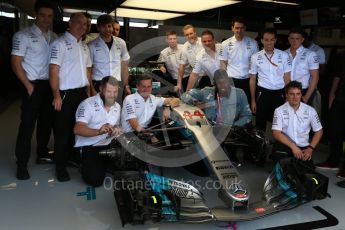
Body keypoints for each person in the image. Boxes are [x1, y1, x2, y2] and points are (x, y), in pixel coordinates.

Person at [11, 0, 57, 180]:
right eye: (43, 15)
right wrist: (28, 86)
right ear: (36, 15)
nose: (46, 19)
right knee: (27, 125)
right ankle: (21, 164)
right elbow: (15, 63)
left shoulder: (54, 37)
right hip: (32, 84)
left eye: (50, 16)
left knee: (46, 122)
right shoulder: (23, 36)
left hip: (50, 85)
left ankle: (42, 154)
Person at [182, 69, 266, 165]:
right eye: (219, 83)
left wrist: (233, 126)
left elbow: (247, 115)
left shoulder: (239, 93)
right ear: (214, 84)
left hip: (232, 129)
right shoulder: (206, 92)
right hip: (211, 128)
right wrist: (194, 102)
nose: (223, 86)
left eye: (225, 82)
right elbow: (185, 96)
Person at [49, 12, 93, 182]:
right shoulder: (59, 44)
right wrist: (56, 95)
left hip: (81, 93)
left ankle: (72, 158)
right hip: (65, 94)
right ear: (70, 23)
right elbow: (53, 70)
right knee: (62, 131)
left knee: (78, 129)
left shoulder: (83, 46)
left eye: (85, 24)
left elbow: (88, 71)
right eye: (79, 23)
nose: (83, 27)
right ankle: (60, 167)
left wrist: (90, 92)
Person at [74, 76, 122, 187]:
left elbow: (117, 125)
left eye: (115, 92)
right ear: (101, 89)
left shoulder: (117, 106)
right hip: (90, 146)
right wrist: (98, 131)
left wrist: (116, 129)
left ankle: (103, 164)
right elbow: (77, 129)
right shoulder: (87, 105)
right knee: (95, 181)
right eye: (109, 91)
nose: (112, 95)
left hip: (109, 144)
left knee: (128, 167)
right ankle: (82, 163)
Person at [249, 28, 291, 131]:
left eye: (272, 40)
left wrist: (287, 97)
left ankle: (278, 146)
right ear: (262, 40)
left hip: (279, 95)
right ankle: (260, 146)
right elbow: (253, 79)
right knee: (260, 124)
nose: (269, 43)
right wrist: (253, 100)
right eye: (266, 40)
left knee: (279, 124)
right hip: (263, 94)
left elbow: (287, 78)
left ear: (275, 40)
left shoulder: (284, 55)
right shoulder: (255, 57)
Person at [271, 81, 323, 163]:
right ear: (286, 95)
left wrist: (310, 149)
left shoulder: (310, 110)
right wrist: (293, 147)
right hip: (285, 145)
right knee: (282, 164)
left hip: (303, 147)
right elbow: (276, 133)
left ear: (301, 95)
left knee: (305, 171)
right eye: (292, 94)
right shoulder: (279, 110)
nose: (295, 97)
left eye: (298, 94)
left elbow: (319, 131)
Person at [121, 75, 180, 141]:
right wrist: (151, 137)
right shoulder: (129, 99)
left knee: (175, 136)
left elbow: (177, 100)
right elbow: (136, 126)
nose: (146, 89)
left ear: (152, 87)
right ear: (137, 87)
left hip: (146, 130)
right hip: (130, 136)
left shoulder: (153, 98)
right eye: (143, 86)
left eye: (149, 86)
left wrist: (168, 107)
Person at [88, 14, 130, 101]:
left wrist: (126, 85)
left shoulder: (121, 43)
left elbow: (124, 66)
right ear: (98, 27)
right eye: (104, 26)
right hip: (98, 84)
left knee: (116, 111)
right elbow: (88, 70)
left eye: (109, 26)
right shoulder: (91, 45)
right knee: (99, 112)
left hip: (116, 83)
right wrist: (91, 89)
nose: (107, 29)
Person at [316, 54, 345, 172]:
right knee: (335, 132)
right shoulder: (342, 59)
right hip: (339, 100)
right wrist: (332, 98)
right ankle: (334, 161)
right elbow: (337, 79)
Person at [219, 16, 258, 102]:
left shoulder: (253, 43)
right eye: (237, 28)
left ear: (245, 28)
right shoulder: (225, 44)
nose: (239, 31)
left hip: (247, 81)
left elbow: (255, 65)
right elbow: (223, 63)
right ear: (232, 28)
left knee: (245, 107)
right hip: (231, 80)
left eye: (241, 28)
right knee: (231, 107)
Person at [286, 27, 319, 105]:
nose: (294, 41)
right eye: (292, 38)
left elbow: (315, 77)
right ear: (288, 39)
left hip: (303, 91)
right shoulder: (283, 54)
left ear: (302, 40)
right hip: (286, 91)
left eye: (297, 38)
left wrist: (306, 97)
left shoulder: (310, 54)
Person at [176, 24, 203, 92]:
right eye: (187, 34)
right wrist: (179, 83)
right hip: (195, 75)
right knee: (191, 96)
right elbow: (182, 66)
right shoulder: (185, 47)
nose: (189, 36)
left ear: (195, 32)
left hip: (208, 75)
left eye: (191, 33)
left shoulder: (204, 42)